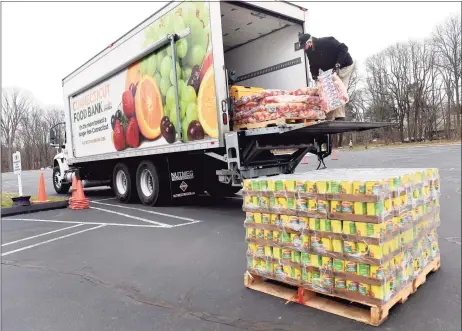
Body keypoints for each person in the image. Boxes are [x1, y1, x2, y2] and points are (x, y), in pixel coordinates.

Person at [298, 33, 354, 121]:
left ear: (309, 42)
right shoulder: (309, 52)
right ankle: (329, 117)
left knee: (338, 89)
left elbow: (344, 48)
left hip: (344, 66)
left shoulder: (326, 42)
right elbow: (313, 65)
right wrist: (314, 76)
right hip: (331, 70)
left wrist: (338, 64)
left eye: (304, 46)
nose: (304, 49)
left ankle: (340, 117)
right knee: (328, 91)